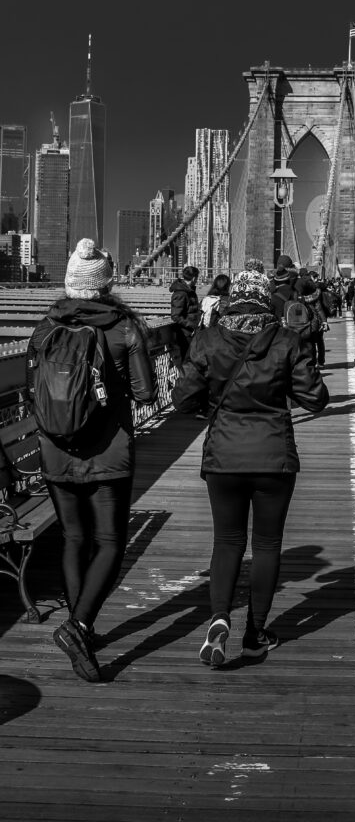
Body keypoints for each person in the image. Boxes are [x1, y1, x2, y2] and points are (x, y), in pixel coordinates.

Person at [171, 268, 329, 663]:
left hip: (223, 455)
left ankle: (219, 618)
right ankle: (255, 633)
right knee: (266, 545)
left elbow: (182, 399)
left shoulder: (207, 339)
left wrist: (211, 402)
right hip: (273, 456)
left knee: (227, 542)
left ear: (232, 300)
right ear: (265, 299)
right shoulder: (286, 341)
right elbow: (316, 399)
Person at [27, 238, 158, 681]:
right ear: (106, 284)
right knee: (109, 542)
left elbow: (32, 389)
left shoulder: (45, 327)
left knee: (73, 539)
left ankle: (79, 627)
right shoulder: (125, 328)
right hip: (109, 452)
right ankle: (79, 626)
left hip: (55, 450)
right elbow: (146, 393)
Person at [169, 265, 200, 366]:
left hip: (189, 332)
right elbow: (175, 316)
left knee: (190, 361)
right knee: (187, 362)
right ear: (194, 278)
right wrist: (192, 325)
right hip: (185, 334)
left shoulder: (188, 291)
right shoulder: (181, 293)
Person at [298, 276, 328, 367]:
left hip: (303, 322)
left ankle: (312, 362)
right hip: (315, 322)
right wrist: (324, 321)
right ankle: (320, 361)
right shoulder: (315, 296)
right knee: (318, 341)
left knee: (310, 343)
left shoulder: (299, 298)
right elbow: (319, 309)